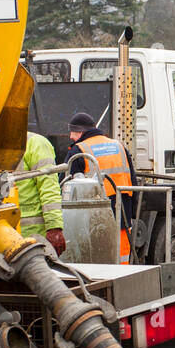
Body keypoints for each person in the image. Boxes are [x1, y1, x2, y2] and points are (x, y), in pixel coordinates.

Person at [65, 111, 137, 263]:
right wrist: (134, 211)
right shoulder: (118, 146)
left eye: (72, 132)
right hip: (122, 207)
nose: (70, 136)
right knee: (121, 253)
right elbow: (133, 180)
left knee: (96, 252)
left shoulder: (79, 150)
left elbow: (66, 186)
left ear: (81, 132)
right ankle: (123, 279)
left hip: (94, 211)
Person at [17, 132, 65, 256]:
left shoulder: (35, 143)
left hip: (33, 237)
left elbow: (49, 188)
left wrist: (54, 227)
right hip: (0, 238)